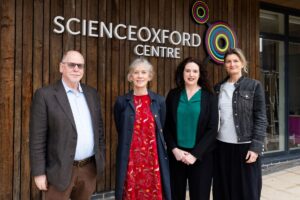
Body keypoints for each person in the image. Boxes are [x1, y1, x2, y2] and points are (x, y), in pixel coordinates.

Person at [29, 50, 105, 200]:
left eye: (80, 66)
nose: (76, 69)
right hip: (59, 170)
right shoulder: (45, 95)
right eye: (71, 65)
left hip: (88, 169)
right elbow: (37, 138)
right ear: (61, 67)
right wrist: (39, 173)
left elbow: (99, 130)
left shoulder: (92, 94)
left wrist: (100, 158)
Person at [213, 48, 268, 200]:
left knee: (247, 192)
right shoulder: (218, 88)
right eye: (228, 61)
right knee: (224, 191)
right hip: (221, 146)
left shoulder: (254, 86)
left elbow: (261, 118)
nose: (232, 64)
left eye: (236, 61)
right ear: (224, 65)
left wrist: (256, 147)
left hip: (245, 147)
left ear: (242, 63)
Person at [114, 58, 171, 200]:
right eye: (136, 72)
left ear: (149, 76)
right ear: (130, 76)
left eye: (143, 72)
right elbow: (120, 128)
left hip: (152, 158)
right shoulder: (122, 102)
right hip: (131, 159)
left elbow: (162, 127)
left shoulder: (159, 101)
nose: (139, 76)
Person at [164, 57, 218, 200]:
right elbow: (166, 126)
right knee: (175, 195)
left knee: (200, 196)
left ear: (200, 74)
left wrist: (194, 155)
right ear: (182, 73)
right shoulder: (173, 95)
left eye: (195, 71)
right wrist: (174, 149)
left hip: (201, 158)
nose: (191, 74)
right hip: (177, 156)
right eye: (187, 71)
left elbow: (212, 129)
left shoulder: (209, 97)